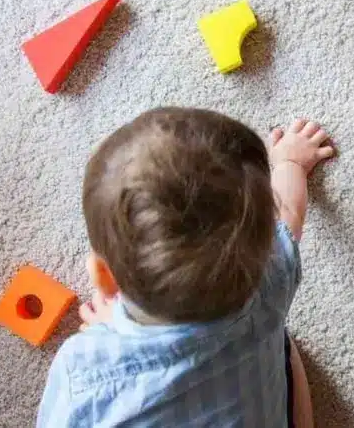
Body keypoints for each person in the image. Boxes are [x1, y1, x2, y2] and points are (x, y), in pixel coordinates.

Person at [37, 107, 334, 427]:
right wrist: (290, 161)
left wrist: (110, 335)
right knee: (287, 355)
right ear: (263, 244)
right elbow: (289, 211)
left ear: (103, 277)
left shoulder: (85, 371)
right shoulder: (272, 275)